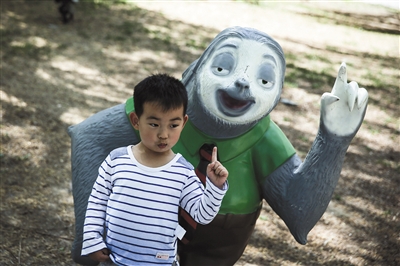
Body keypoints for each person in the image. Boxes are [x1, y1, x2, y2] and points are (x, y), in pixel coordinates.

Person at [81, 73, 229, 266]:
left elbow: (202, 215)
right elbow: (97, 201)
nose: (163, 134)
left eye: (173, 125)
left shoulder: (183, 171)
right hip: (114, 260)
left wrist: (215, 188)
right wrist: (92, 239)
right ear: (136, 120)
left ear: (183, 123)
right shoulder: (116, 160)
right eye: (154, 124)